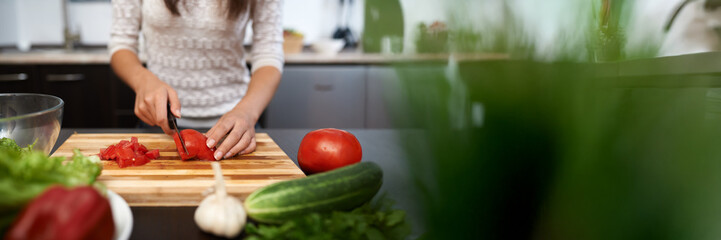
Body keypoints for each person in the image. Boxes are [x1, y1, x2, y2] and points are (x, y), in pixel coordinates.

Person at [109, 0, 283, 160]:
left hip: (238, 126)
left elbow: (269, 53)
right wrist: (142, 80)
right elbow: (122, 43)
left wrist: (247, 112)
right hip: (158, 122)